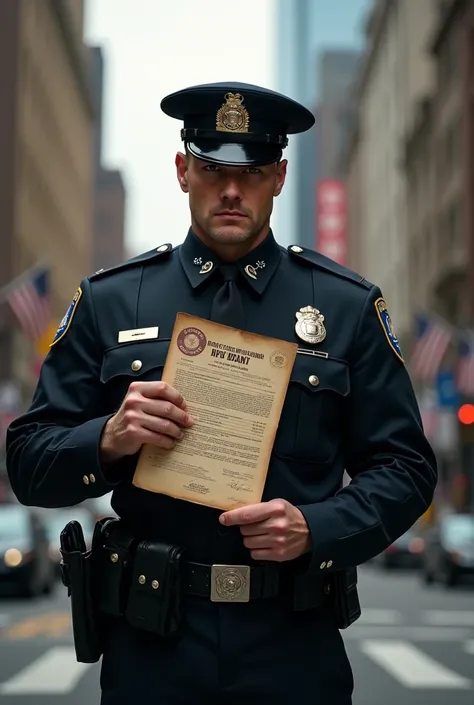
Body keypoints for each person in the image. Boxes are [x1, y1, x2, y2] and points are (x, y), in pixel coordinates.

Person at [6, 81, 437, 705]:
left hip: (293, 644)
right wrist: (107, 438)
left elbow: (407, 468)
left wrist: (317, 526)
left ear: (281, 176)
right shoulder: (111, 299)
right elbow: (26, 462)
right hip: (152, 645)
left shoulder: (344, 307)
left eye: (254, 172)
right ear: (183, 170)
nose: (232, 190)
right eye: (211, 170)